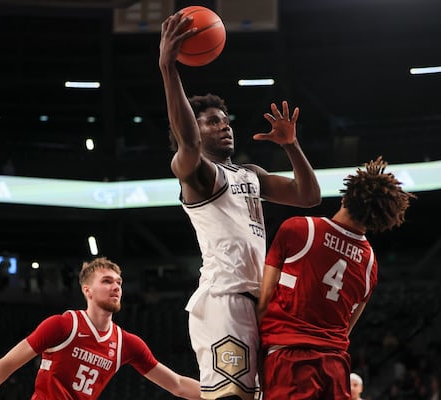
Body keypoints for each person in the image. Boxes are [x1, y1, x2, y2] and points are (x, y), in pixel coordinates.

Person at [159, 10, 321, 400]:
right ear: (194, 131)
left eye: (225, 119)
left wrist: (291, 146)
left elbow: (309, 196)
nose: (224, 125)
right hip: (223, 301)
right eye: (212, 121)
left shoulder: (249, 173)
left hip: (256, 302)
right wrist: (169, 68)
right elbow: (188, 145)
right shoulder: (196, 174)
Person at [257, 157, 416, 399]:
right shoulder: (370, 263)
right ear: (379, 220)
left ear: (345, 197)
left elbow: (264, 299)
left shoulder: (300, 229)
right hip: (335, 367)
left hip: (291, 360)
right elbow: (346, 328)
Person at [0, 257, 202, 400]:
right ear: (87, 290)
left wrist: (221, 393)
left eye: (119, 282)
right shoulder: (62, 325)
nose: (116, 287)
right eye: (107, 281)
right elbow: (6, 364)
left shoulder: (126, 343)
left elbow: (178, 385)